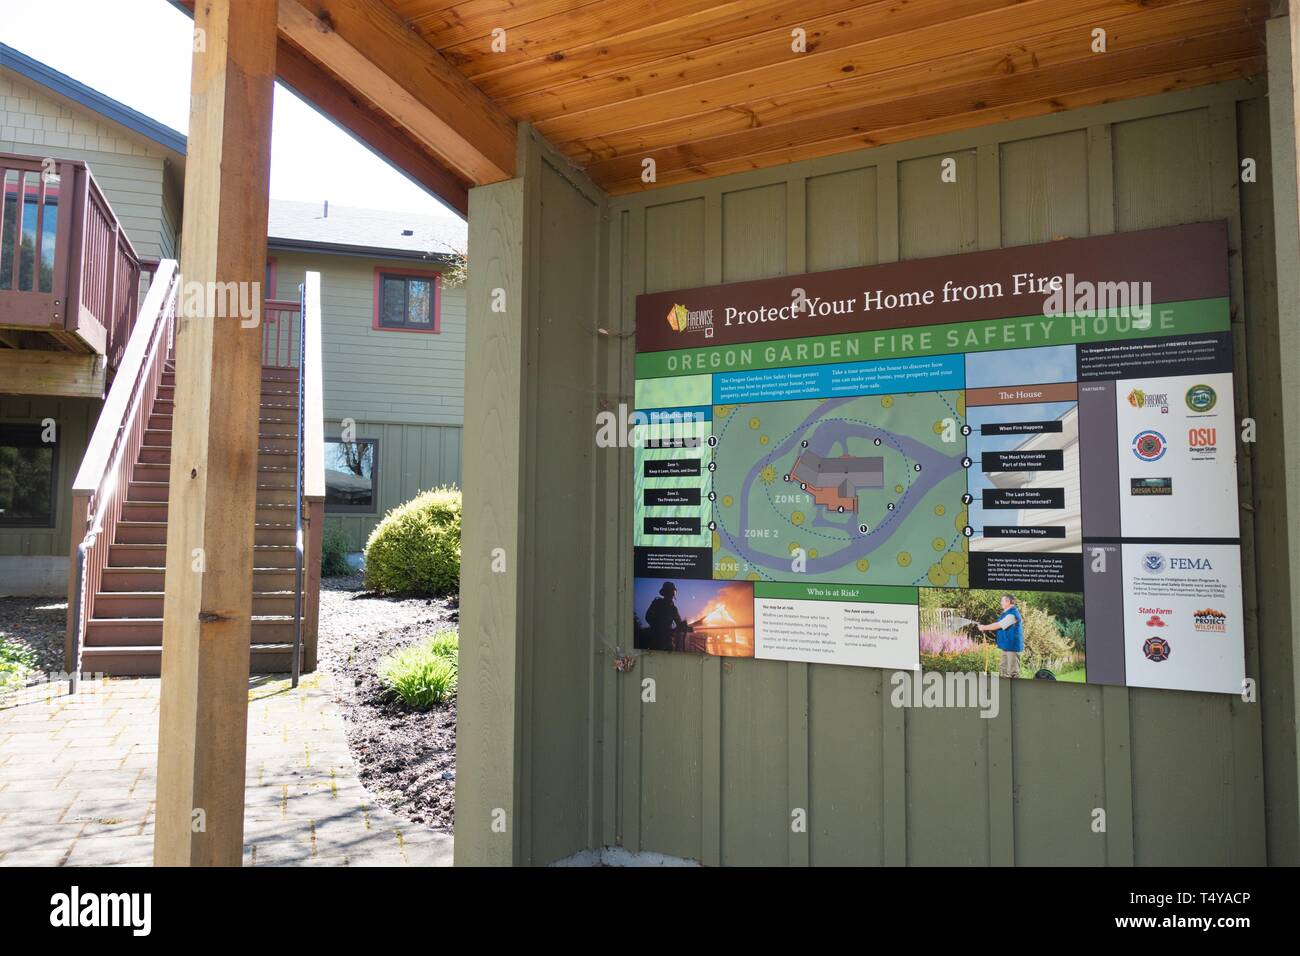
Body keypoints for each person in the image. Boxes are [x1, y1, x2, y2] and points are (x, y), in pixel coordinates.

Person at [977, 594, 1024, 679]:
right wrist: (985, 627)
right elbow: (996, 624)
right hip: (1006, 646)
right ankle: (1004, 690)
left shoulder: (1013, 615)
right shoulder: (1006, 614)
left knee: (1012, 673)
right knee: (1003, 670)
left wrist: (984, 627)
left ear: (1008, 602)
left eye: (1002, 601)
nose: (1001, 603)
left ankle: (1015, 691)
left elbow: (999, 625)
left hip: (1012, 647)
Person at [644, 582, 689, 651]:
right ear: (665, 593)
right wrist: (659, 627)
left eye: (672, 592)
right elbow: (648, 617)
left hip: (667, 641)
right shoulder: (657, 603)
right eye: (670, 592)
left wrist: (683, 625)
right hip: (655, 640)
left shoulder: (673, 608)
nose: (671, 594)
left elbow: (679, 624)